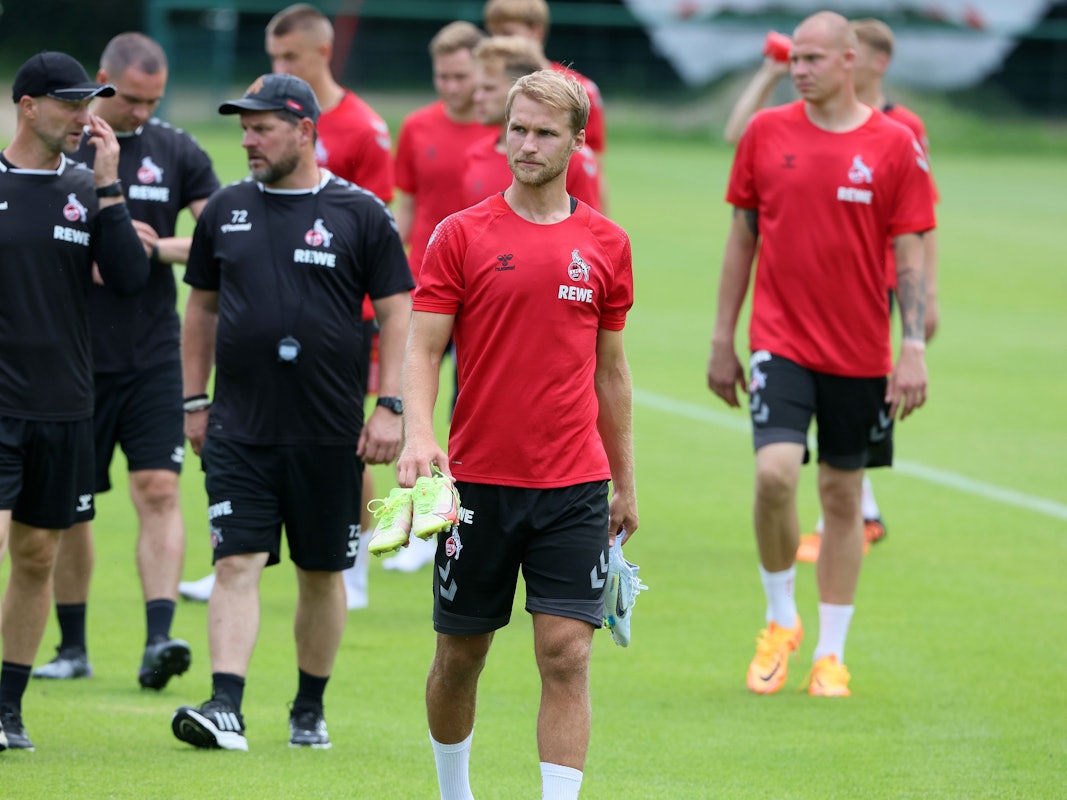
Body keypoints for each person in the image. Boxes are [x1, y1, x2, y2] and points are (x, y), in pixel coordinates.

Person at [398, 69, 637, 799]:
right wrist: (417, 434)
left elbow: (611, 374)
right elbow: (421, 348)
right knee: (460, 656)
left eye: (543, 132)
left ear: (575, 141)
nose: (526, 144)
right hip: (477, 485)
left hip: (572, 484)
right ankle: (453, 792)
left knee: (565, 655)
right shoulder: (460, 234)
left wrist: (623, 481)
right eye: (517, 129)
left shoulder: (605, 243)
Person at [168, 73, 412, 752]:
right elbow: (202, 310)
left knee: (321, 573)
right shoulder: (224, 209)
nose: (247, 140)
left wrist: (389, 406)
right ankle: (226, 706)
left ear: (304, 130)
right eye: (243, 128)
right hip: (239, 428)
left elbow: (398, 314)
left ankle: (308, 708)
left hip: (330, 430)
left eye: (262, 127)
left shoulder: (360, 213)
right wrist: (193, 400)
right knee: (235, 562)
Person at [706, 11, 935, 698]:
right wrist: (723, 337)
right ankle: (780, 619)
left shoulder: (894, 144)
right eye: (793, 58)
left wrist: (913, 344)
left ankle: (830, 654)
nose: (797, 68)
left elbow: (910, 249)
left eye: (810, 58)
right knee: (774, 475)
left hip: (861, 350)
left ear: (848, 59)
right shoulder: (764, 133)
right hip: (779, 340)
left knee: (841, 496)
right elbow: (740, 237)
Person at [178, 2, 397, 609]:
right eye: (271, 56)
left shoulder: (364, 129)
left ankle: (350, 564)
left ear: (322, 51)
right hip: (263, 338)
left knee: (343, 441)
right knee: (254, 437)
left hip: (340, 326)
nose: (273, 66)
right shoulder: (258, 139)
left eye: (287, 57)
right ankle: (235, 553)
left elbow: (374, 231)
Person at [31, 32, 220, 691]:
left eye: (154, 100)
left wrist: (157, 246)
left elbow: (222, 238)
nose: (142, 112)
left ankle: (159, 639)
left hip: (150, 355)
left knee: (160, 488)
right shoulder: (59, 147)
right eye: (133, 99)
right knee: (69, 509)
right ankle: (73, 644)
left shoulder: (177, 150)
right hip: (73, 359)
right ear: (104, 80)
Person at [0, 51, 149, 751]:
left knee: (35, 559)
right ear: (28, 105)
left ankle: (7, 709)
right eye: (69, 103)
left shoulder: (88, 187)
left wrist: (112, 188)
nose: (83, 118)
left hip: (64, 407)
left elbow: (127, 279)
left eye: (89, 103)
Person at [385, 20, 496, 574]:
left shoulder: (502, 134)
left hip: (485, 293)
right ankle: (416, 514)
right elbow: (408, 205)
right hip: (424, 287)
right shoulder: (417, 127)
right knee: (412, 401)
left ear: (482, 72)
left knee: (464, 409)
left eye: (461, 75)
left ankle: (448, 521)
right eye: (442, 75)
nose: (451, 86)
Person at [482, 0, 610, 207]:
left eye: (507, 33)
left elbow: (594, 170)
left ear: (536, 32)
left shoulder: (579, 90)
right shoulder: (488, 87)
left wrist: (599, 230)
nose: (498, 41)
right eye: (492, 33)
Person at [464, 35, 601, 211]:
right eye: (477, 89)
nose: (477, 98)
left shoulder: (574, 159)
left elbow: (588, 229)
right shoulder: (474, 156)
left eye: (489, 88)